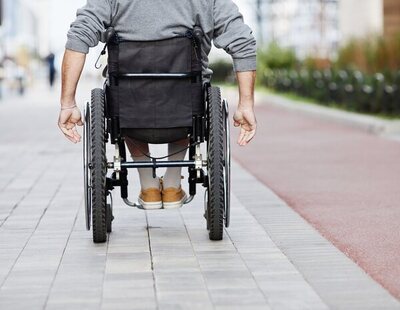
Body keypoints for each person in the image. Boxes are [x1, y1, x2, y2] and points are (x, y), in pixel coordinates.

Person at [58, 0, 257, 209]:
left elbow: (79, 36)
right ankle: (172, 185)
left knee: (127, 93)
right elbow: (243, 41)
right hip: (185, 109)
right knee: (184, 92)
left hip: (129, 110)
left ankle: (149, 187)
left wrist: (67, 103)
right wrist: (245, 104)